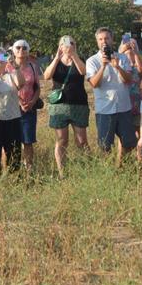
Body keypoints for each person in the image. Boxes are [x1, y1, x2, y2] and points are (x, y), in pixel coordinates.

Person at [85, 28, 138, 165]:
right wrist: (103, 66)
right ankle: (107, 170)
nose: (104, 41)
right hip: (105, 110)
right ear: (97, 41)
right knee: (105, 146)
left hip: (123, 107)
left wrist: (118, 67)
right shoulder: (92, 61)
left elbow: (128, 80)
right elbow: (94, 84)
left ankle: (120, 165)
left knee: (129, 142)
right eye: (101, 39)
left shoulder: (122, 58)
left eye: (107, 38)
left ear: (112, 40)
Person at [44, 35, 89, 178]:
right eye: (64, 43)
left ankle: (86, 169)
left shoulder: (78, 59)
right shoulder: (56, 61)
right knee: (62, 140)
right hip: (59, 106)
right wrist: (57, 58)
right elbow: (46, 76)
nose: (68, 46)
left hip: (78, 104)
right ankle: (62, 173)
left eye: (71, 43)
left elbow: (83, 71)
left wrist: (74, 55)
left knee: (81, 140)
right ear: (59, 46)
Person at [6, 39, 44, 170]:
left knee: (28, 141)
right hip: (11, 107)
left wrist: (32, 102)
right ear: (13, 50)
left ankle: (29, 169)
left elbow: (37, 87)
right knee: (10, 141)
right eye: (18, 48)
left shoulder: (33, 66)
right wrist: (18, 102)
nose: (21, 50)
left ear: (28, 51)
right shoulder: (7, 66)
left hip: (29, 108)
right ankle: (11, 168)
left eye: (24, 48)